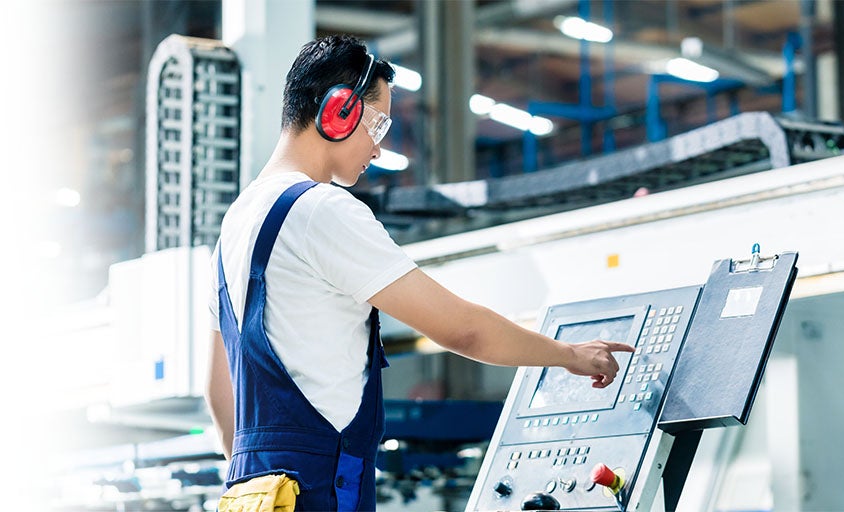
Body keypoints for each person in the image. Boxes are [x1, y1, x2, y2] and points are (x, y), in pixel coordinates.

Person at [204, 34, 634, 512]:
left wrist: (267, 487)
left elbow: (220, 394)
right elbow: (464, 331)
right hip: (320, 488)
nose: (380, 150)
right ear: (339, 112)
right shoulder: (319, 210)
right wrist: (568, 354)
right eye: (379, 124)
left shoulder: (234, 226)